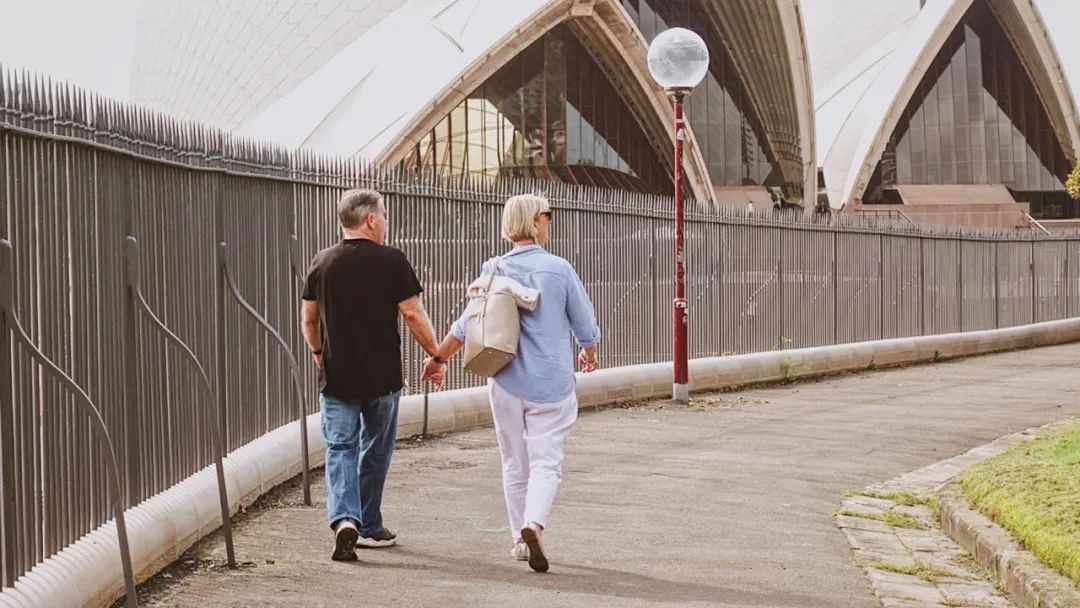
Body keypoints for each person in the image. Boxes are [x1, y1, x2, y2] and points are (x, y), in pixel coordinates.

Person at [422, 193, 601, 573]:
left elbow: (465, 325)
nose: (550, 222)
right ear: (534, 222)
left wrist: (438, 359)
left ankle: (520, 542)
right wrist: (589, 352)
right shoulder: (559, 269)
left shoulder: (493, 269)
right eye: (547, 216)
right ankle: (533, 524)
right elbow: (585, 326)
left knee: (514, 464)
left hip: (504, 380)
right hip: (551, 384)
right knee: (546, 463)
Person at [301, 188, 442, 562]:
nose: (385, 224)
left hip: (337, 376)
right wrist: (436, 354)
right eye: (385, 216)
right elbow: (412, 314)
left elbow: (309, 318)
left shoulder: (321, 262)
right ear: (371, 220)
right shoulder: (392, 261)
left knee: (340, 448)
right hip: (382, 378)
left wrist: (317, 350)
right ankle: (369, 523)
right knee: (375, 450)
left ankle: (345, 519)